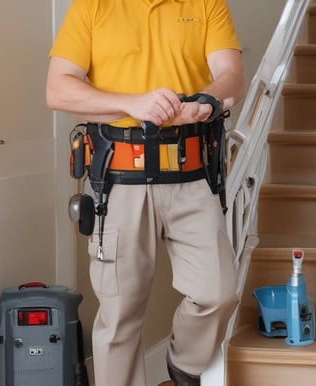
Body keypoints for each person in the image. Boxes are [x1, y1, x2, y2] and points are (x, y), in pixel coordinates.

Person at [46, 1, 246, 385]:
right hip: (119, 179)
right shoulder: (92, 7)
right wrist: (131, 103)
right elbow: (58, 90)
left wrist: (206, 100)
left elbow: (231, 76)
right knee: (120, 314)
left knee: (218, 293)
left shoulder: (206, 4)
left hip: (192, 174)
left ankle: (183, 367)